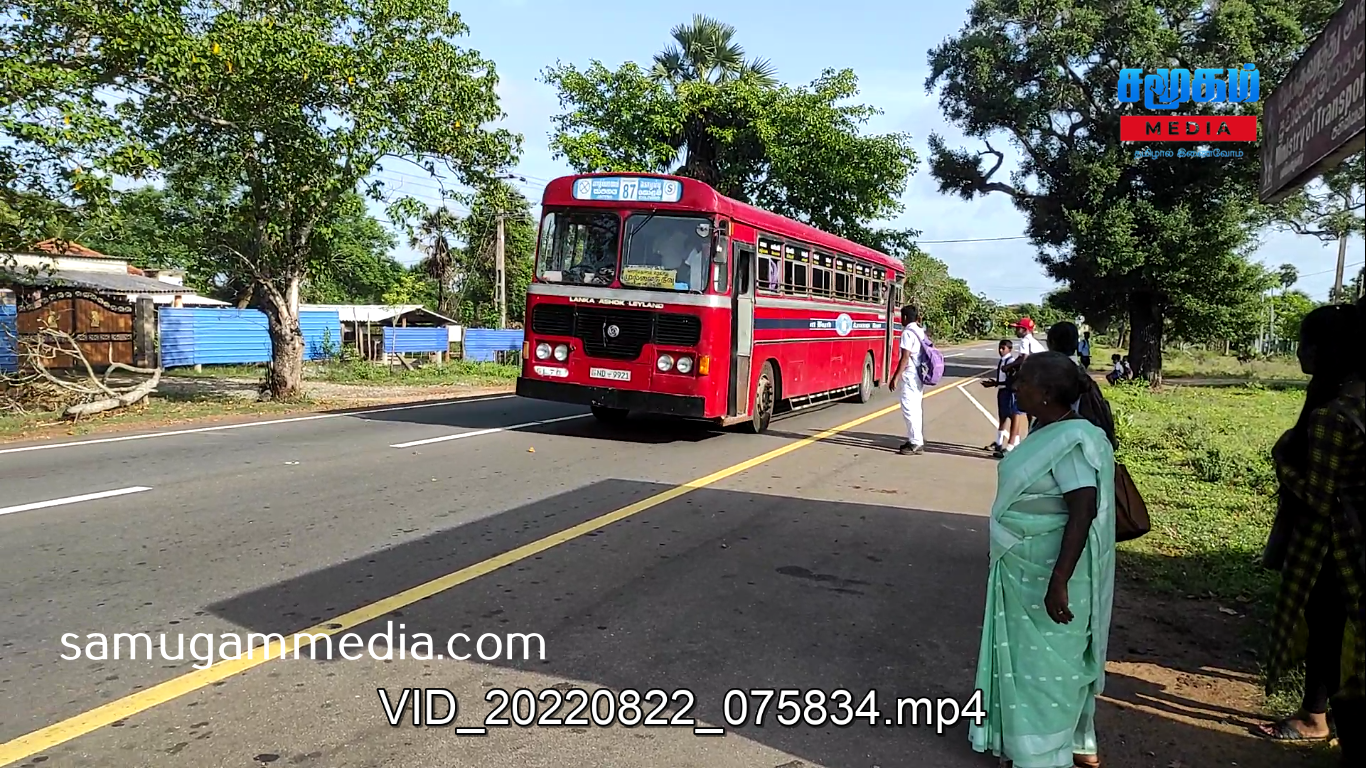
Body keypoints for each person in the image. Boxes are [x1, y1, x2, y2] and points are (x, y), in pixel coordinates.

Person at [968, 351, 1117, 768]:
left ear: (1047, 393)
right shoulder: (1048, 430)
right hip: (1023, 568)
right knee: (1027, 662)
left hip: (1048, 574)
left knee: (1046, 667)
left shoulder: (1072, 441)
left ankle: (1042, 755)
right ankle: (1053, 742)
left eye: (1025, 381)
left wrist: (1059, 580)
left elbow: (1083, 509)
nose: (1016, 387)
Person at [1259, 303, 1365, 764]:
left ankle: (1317, 718)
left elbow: (1321, 499)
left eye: (1305, 344)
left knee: (1327, 632)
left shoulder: (1332, 416)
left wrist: (1283, 463)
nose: (1300, 353)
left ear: (1326, 351)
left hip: (1334, 548)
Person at [1000, 317, 1048, 450]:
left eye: (1018, 328)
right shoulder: (1034, 342)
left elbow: (1024, 358)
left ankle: (1012, 445)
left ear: (1025, 330)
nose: (1016, 330)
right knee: (1031, 411)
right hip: (1042, 378)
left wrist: (1009, 367)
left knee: (1019, 409)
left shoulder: (1025, 340)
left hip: (1034, 379)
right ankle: (1028, 439)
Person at [890, 304, 928, 455]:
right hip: (919, 374)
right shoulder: (919, 330)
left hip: (910, 375)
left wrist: (895, 377)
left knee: (909, 409)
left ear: (905, 317)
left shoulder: (907, 332)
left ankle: (915, 442)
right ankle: (916, 439)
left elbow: (905, 357)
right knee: (916, 409)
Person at [980, 340, 1020, 456]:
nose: (1000, 350)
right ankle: (999, 442)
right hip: (1002, 390)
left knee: (1013, 416)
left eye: (1003, 348)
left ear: (1010, 349)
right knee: (1002, 416)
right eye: (999, 348)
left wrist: (996, 383)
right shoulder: (1002, 361)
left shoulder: (1011, 362)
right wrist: (995, 383)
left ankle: (1014, 444)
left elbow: (1011, 381)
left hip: (1009, 392)